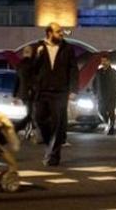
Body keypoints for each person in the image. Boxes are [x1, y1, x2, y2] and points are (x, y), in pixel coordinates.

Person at [32, 22, 79, 166]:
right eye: (58, 31)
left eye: (61, 31)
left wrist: (73, 90)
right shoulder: (37, 47)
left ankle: (54, 155)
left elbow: (73, 69)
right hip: (42, 91)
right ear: (49, 33)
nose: (61, 33)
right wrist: (37, 57)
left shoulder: (68, 48)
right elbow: (30, 69)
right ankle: (49, 144)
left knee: (59, 124)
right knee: (40, 118)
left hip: (60, 92)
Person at [92, 56, 116, 135]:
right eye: (102, 61)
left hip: (111, 97)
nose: (103, 63)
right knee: (101, 111)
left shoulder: (114, 72)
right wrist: (95, 93)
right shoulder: (98, 72)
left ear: (109, 62)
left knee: (111, 112)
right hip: (101, 97)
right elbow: (94, 84)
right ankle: (107, 123)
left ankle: (111, 129)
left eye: (105, 61)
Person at [13, 44, 37, 139]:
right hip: (29, 93)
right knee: (30, 114)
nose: (26, 53)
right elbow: (29, 79)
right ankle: (23, 130)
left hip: (25, 93)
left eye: (27, 51)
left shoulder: (21, 64)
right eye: (26, 51)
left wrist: (15, 94)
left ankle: (25, 131)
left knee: (29, 113)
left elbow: (18, 80)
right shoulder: (31, 64)